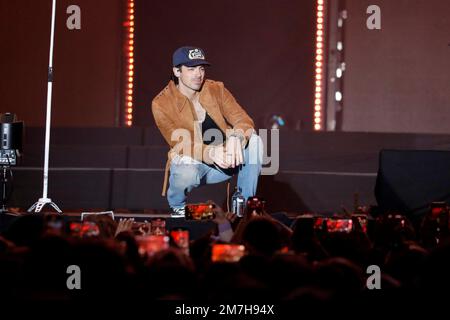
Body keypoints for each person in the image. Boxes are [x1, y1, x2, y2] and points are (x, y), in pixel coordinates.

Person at [152, 46, 263, 217]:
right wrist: (211, 152)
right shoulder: (161, 103)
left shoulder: (215, 89)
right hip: (196, 162)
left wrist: (236, 137)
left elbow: (243, 119)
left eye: (201, 68)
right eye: (191, 69)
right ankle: (178, 207)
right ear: (177, 71)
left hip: (226, 160)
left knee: (254, 141)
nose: (198, 74)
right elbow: (180, 143)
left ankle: (244, 209)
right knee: (184, 167)